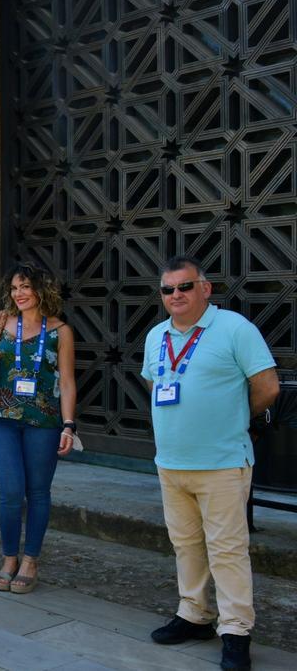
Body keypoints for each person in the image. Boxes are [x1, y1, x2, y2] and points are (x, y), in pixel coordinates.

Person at [141, 256, 277, 671]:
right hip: (171, 463)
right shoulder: (156, 335)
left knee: (228, 550)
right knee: (185, 544)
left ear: (206, 288)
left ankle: (235, 629)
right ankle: (194, 614)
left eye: (185, 286)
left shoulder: (235, 329)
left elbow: (267, 388)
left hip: (221, 462)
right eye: (168, 289)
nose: (176, 295)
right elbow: (154, 382)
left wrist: (234, 419)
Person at [0, 263, 76, 594]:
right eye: (15, 287)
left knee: (39, 492)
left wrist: (69, 425)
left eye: (26, 287)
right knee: (11, 491)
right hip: (1, 419)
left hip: (43, 422)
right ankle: (8, 557)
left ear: (41, 290)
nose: (19, 293)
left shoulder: (61, 331)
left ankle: (30, 560)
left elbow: (69, 381)